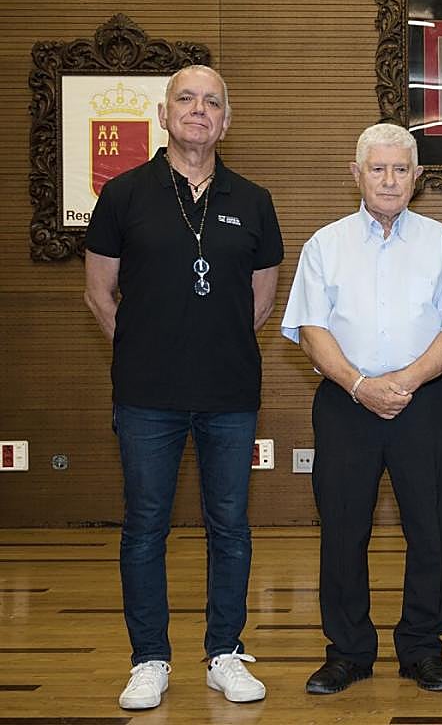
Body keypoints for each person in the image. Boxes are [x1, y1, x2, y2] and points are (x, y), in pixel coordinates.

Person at [83, 64, 283, 710]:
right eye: (187, 99)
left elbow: (259, 302)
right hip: (146, 395)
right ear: (164, 113)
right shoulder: (123, 194)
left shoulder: (253, 199)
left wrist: (207, 344)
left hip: (229, 394)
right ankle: (149, 659)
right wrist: (146, 347)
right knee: (145, 527)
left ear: (226, 120)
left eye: (212, 102)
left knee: (230, 527)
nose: (199, 110)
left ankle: (225, 652)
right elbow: (99, 293)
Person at [281, 123, 442, 695]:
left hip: (423, 401)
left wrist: (402, 382)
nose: (388, 180)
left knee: (429, 528)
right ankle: (348, 652)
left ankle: (423, 649)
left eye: (400, 169)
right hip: (344, 403)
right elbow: (312, 330)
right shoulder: (324, 245)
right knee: (342, 529)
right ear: (356, 175)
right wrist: (360, 386)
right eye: (377, 169)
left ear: (417, 177)